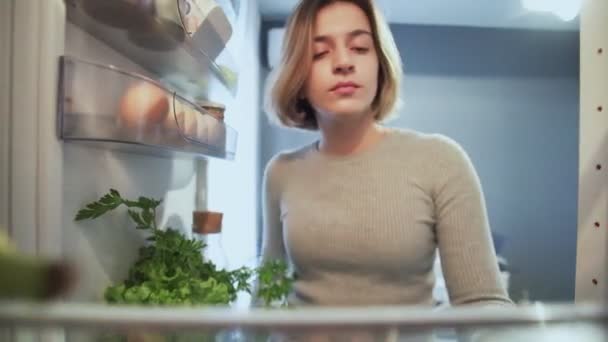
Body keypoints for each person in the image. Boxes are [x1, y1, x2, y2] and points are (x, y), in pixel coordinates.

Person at [259, 0, 513, 308]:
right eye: (320, 53)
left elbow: (482, 301)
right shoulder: (281, 173)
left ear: (380, 65)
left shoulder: (441, 160)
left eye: (360, 48)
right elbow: (266, 296)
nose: (343, 62)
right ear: (298, 77)